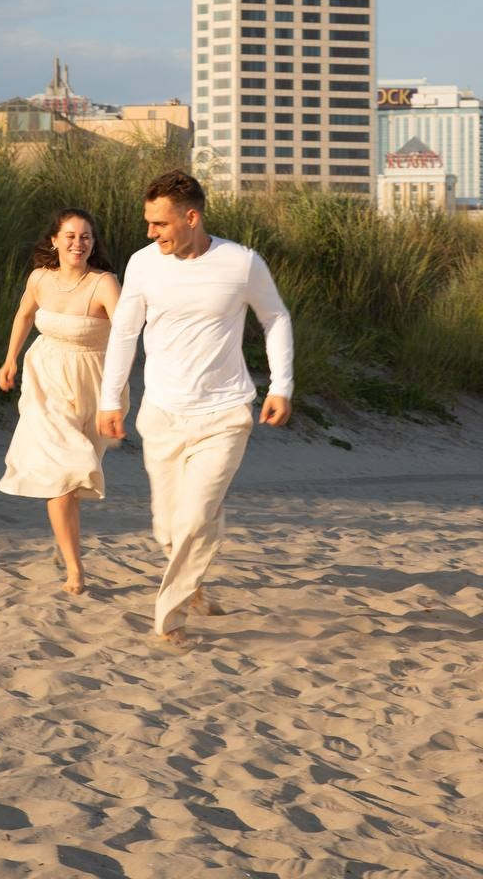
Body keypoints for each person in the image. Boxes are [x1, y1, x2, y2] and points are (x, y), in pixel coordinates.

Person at [98, 170, 293, 648]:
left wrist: (281, 385)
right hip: (162, 413)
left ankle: (170, 617)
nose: (151, 233)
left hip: (224, 413)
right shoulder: (143, 264)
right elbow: (124, 333)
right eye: (148, 222)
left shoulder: (241, 262)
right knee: (168, 527)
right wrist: (110, 399)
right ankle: (197, 575)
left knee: (192, 518)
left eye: (160, 223)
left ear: (191, 218)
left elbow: (275, 316)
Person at [0, 208, 124, 595]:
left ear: (93, 243)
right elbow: (23, 316)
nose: (78, 243)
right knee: (64, 474)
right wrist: (10, 359)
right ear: (54, 240)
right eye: (70, 236)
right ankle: (74, 568)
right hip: (46, 380)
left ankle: (63, 537)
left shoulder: (104, 283)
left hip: (93, 384)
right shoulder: (39, 278)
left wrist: (116, 395)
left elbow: (127, 335)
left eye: (86, 236)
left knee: (75, 476)